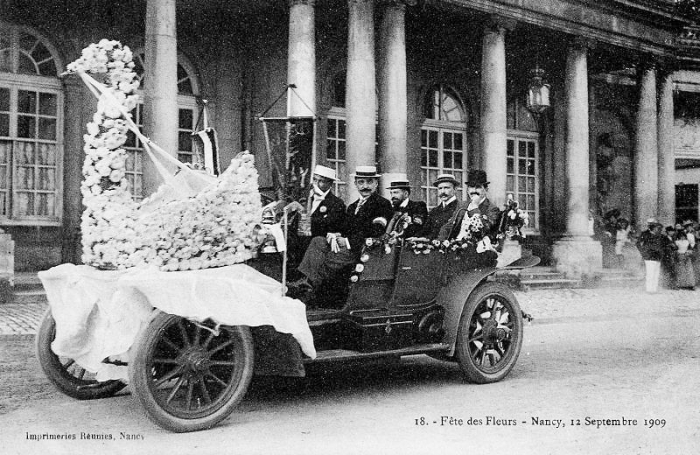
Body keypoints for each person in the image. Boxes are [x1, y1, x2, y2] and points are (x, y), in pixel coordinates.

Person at [290, 165, 393, 297]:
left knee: (326, 257)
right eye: (361, 182)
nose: (365, 186)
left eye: (369, 182)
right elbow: (344, 228)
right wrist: (335, 235)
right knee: (318, 241)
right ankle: (305, 281)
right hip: (347, 247)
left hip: (361, 249)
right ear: (355, 184)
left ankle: (309, 287)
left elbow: (376, 230)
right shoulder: (352, 207)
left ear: (376, 183)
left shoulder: (382, 203)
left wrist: (347, 241)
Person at [437, 169, 501, 241]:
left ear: (486, 189)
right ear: (467, 190)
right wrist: (440, 242)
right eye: (471, 187)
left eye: (478, 187)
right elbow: (448, 226)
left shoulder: (493, 209)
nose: (473, 190)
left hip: (476, 247)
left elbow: (484, 230)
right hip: (455, 245)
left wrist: (475, 209)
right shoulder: (462, 205)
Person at [423, 174, 460, 239]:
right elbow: (425, 231)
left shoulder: (460, 208)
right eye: (440, 188)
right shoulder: (434, 211)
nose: (442, 191)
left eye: (446, 188)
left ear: (455, 189)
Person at [636, 219, 665, 293]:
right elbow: (638, 243)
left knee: (656, 273)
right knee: (650, 273)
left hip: (658, 256)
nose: (657, 228)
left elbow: (662, 245)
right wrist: (643, 252)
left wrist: (661, 252)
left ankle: (654, 289)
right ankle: (649, 289)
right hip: (649, 256)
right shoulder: (645, 234)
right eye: (655, 226)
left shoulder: (659, 235)